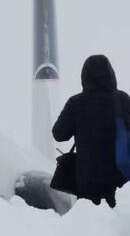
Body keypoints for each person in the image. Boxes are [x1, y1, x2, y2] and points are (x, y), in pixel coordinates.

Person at [52, 55, 130, 208]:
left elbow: (59, 134)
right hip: (119, 176)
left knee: (90, 223)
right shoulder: (122, 99)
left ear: (84, 77)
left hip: (87, 179)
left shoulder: (76, 103)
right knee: (118, 222)